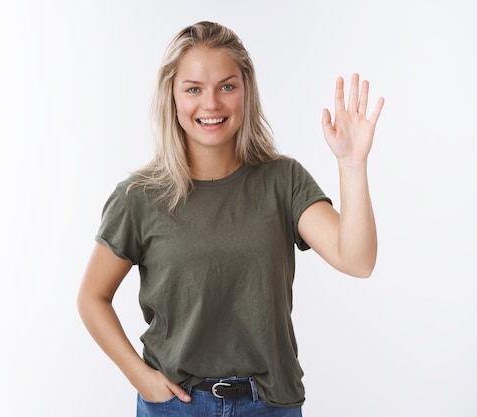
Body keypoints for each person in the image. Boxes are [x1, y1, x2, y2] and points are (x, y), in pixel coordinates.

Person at [77, 21, 384, 417]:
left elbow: (357, 260)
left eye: (227, 86)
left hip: (269, 405)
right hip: (175, 406)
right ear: (172, 95)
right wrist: (142, 378)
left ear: (246, 91)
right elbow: (92, 298)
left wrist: (352, 164)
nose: (211, 104)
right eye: (193, 89)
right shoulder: (140, 197)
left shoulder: (282, 180)